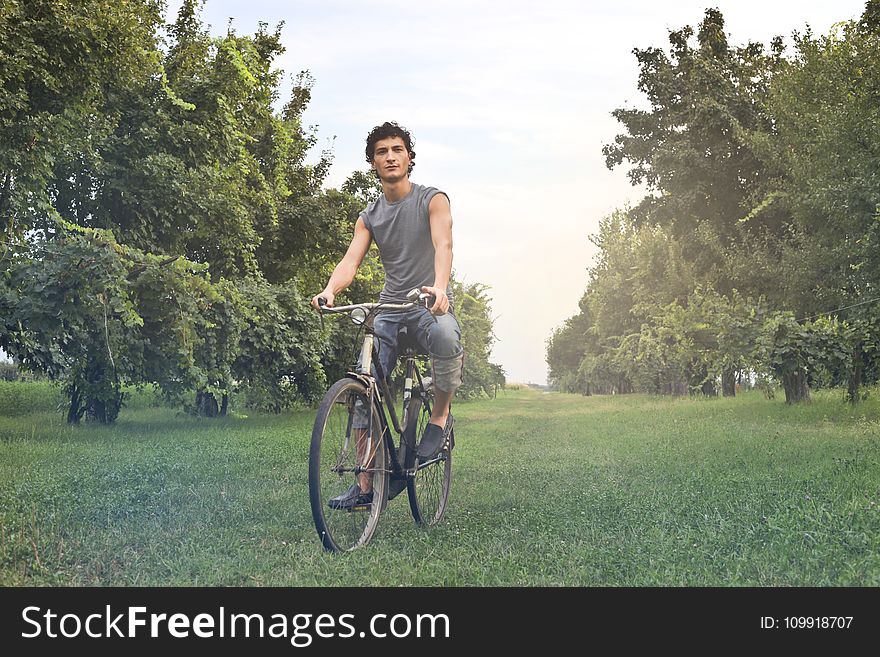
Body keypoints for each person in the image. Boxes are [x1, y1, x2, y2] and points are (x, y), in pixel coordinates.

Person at [311, 121, 464, 510]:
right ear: (373, 163)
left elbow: (442, 244)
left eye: (397, 149)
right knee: (364, 385)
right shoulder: (370, 215)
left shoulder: (433, 200)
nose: (390, 156)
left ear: (409, 158)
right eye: (382, 152)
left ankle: (440, 418)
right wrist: (330, 290)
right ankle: (366, 485)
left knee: (447, 336)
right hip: (391, 308)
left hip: (427, 303)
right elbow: (351, 261)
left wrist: (440, 288)